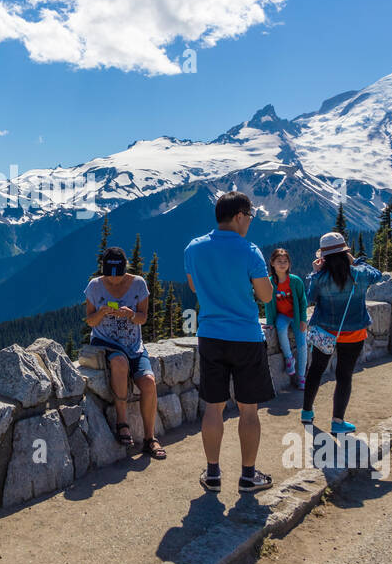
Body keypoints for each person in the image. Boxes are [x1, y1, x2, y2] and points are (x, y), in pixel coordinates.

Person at [184, 191, 275, 494]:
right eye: (249, 216)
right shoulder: (250, 250)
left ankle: (212, 474)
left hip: (210, 334)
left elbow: (195, 286)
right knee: (249, 410)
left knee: (214, 407)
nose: (250, 221)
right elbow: (265, 296)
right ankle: (248, 477)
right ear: (238, 215)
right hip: (246, 337)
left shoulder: (193, 248)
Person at [84, 246, 165, 460]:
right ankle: (122, 423)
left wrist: (131, 315)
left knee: (148, 382)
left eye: (118, 277)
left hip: (134, 345)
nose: (114, 281)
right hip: (106, 342)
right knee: (119, 362)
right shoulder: (94, 286)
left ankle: (150, 438)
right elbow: (90, 321)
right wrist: (101, 313)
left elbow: (143, 318)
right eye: (109, 278)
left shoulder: (138, 284)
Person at [302, 232, 382, 434]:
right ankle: (338, 421)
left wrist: (314, 272)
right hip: (354, 333)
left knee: (315, 370)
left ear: (324, 257)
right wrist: (355, 261)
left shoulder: (320, 278)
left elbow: (309, 299)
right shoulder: (361, 273)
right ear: (345, 252)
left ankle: (306, 412)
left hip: (325, 332)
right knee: (344, 375)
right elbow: (378, 274)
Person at [263, 247, 308, 390]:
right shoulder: (270, 282)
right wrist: (270, 323)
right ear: (272, 263)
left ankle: (301, 376)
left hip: (296, 315)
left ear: (289, 263)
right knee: (280, 328)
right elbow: (268, 303)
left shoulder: (295, 281)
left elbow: (302, 301)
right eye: (279, 261)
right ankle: (289, 358)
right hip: (282, 315)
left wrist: (303, 320)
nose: (282, 264)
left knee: (302, 345)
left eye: (285, 261)